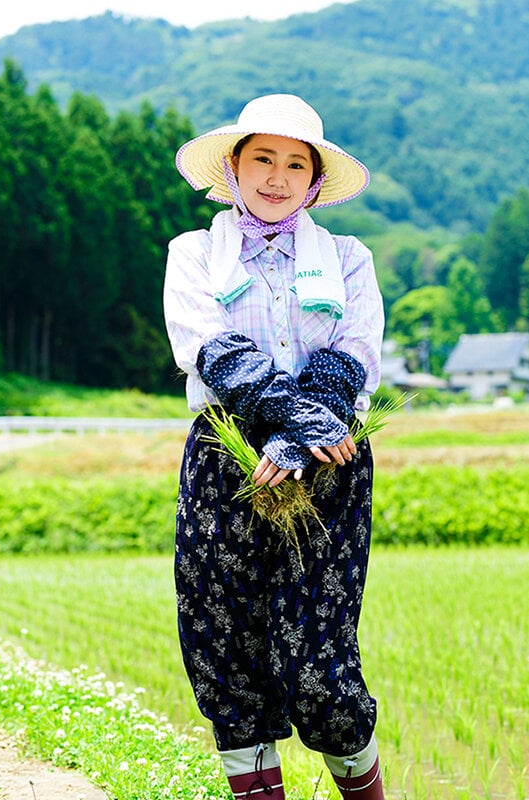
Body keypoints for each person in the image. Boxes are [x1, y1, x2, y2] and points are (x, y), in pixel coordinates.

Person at [163, 93, 385, 800]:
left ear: (316, 181)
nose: (277, 176)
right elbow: (211, 350)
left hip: (330, 465)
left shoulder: (348, 258)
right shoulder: (195, 253)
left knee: (320, 660)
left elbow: (353, 354)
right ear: (233, 167)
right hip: (228, 462)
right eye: (263, 157)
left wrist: (300, 436)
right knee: (224, 646)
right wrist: (290, 423)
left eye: (297, 163)